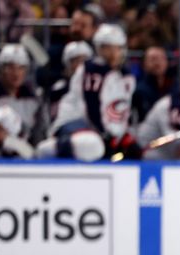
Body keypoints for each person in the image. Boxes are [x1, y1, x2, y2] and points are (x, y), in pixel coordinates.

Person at [38, 24, 137, 161]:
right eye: (108, 48)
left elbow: (122, 110)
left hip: (99, 130)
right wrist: (108, 137)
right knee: (94, 145)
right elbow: (93, 108)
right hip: (74, 123)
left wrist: (121, 135)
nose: (114, 53)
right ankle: (52, 148)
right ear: (99, 49)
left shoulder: (126, 76)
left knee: (132, 151)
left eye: (118, 48)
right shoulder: (92, 70)